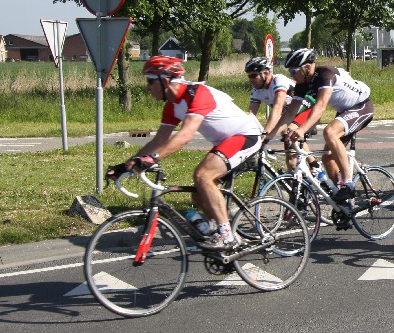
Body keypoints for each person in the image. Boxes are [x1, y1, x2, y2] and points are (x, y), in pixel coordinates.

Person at [106, 56, 264, 251]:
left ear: (165, 80)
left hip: (245, 135)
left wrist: (152, 159)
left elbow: (185, 135)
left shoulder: (197, 94)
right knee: (198, 195)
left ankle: (227, 237)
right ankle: (224, 233)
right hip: (225, 142)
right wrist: (126, 165)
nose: (147, 87)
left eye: (150, 81)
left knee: (202, 175)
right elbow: (158, 141)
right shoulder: (172, 105)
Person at [272, 48, 373, 213]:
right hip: (345, 111)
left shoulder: (325, 75)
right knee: (327, 158)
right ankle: (342, 202)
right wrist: (268, 136)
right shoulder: (302, 84)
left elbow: (320, 107)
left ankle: (348, 185)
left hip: (362, 107)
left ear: (307, 67)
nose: (291, 75)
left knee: (329, 132)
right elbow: (290, 113)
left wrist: (302, 129)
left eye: (293, 71)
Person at [244, 56, 315, 170]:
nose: (250, 79)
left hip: (307, 109)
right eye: (249, 76)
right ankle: (310, 168)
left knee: (289, 134)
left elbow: (277, 109)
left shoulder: (278, 80)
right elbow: (251, 115)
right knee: (291, 161)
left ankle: (313, 167)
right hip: (289, 116)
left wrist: (265, 134)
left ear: (266, 73)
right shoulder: (256, 91)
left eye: (253, 76)